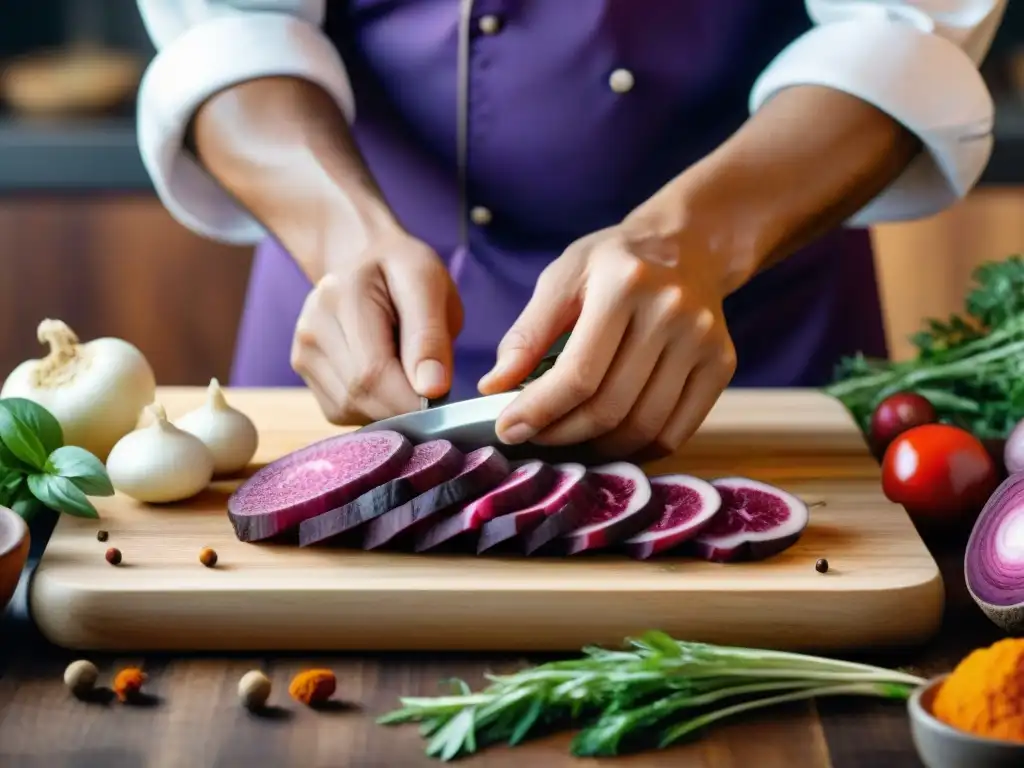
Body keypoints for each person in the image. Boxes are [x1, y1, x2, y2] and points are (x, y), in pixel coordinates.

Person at [135, 1, 1006, 458]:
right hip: (345, 324)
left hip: (760, 347)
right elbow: (233, 32)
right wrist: (344, 238)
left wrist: (687, 244)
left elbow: (901, 32)